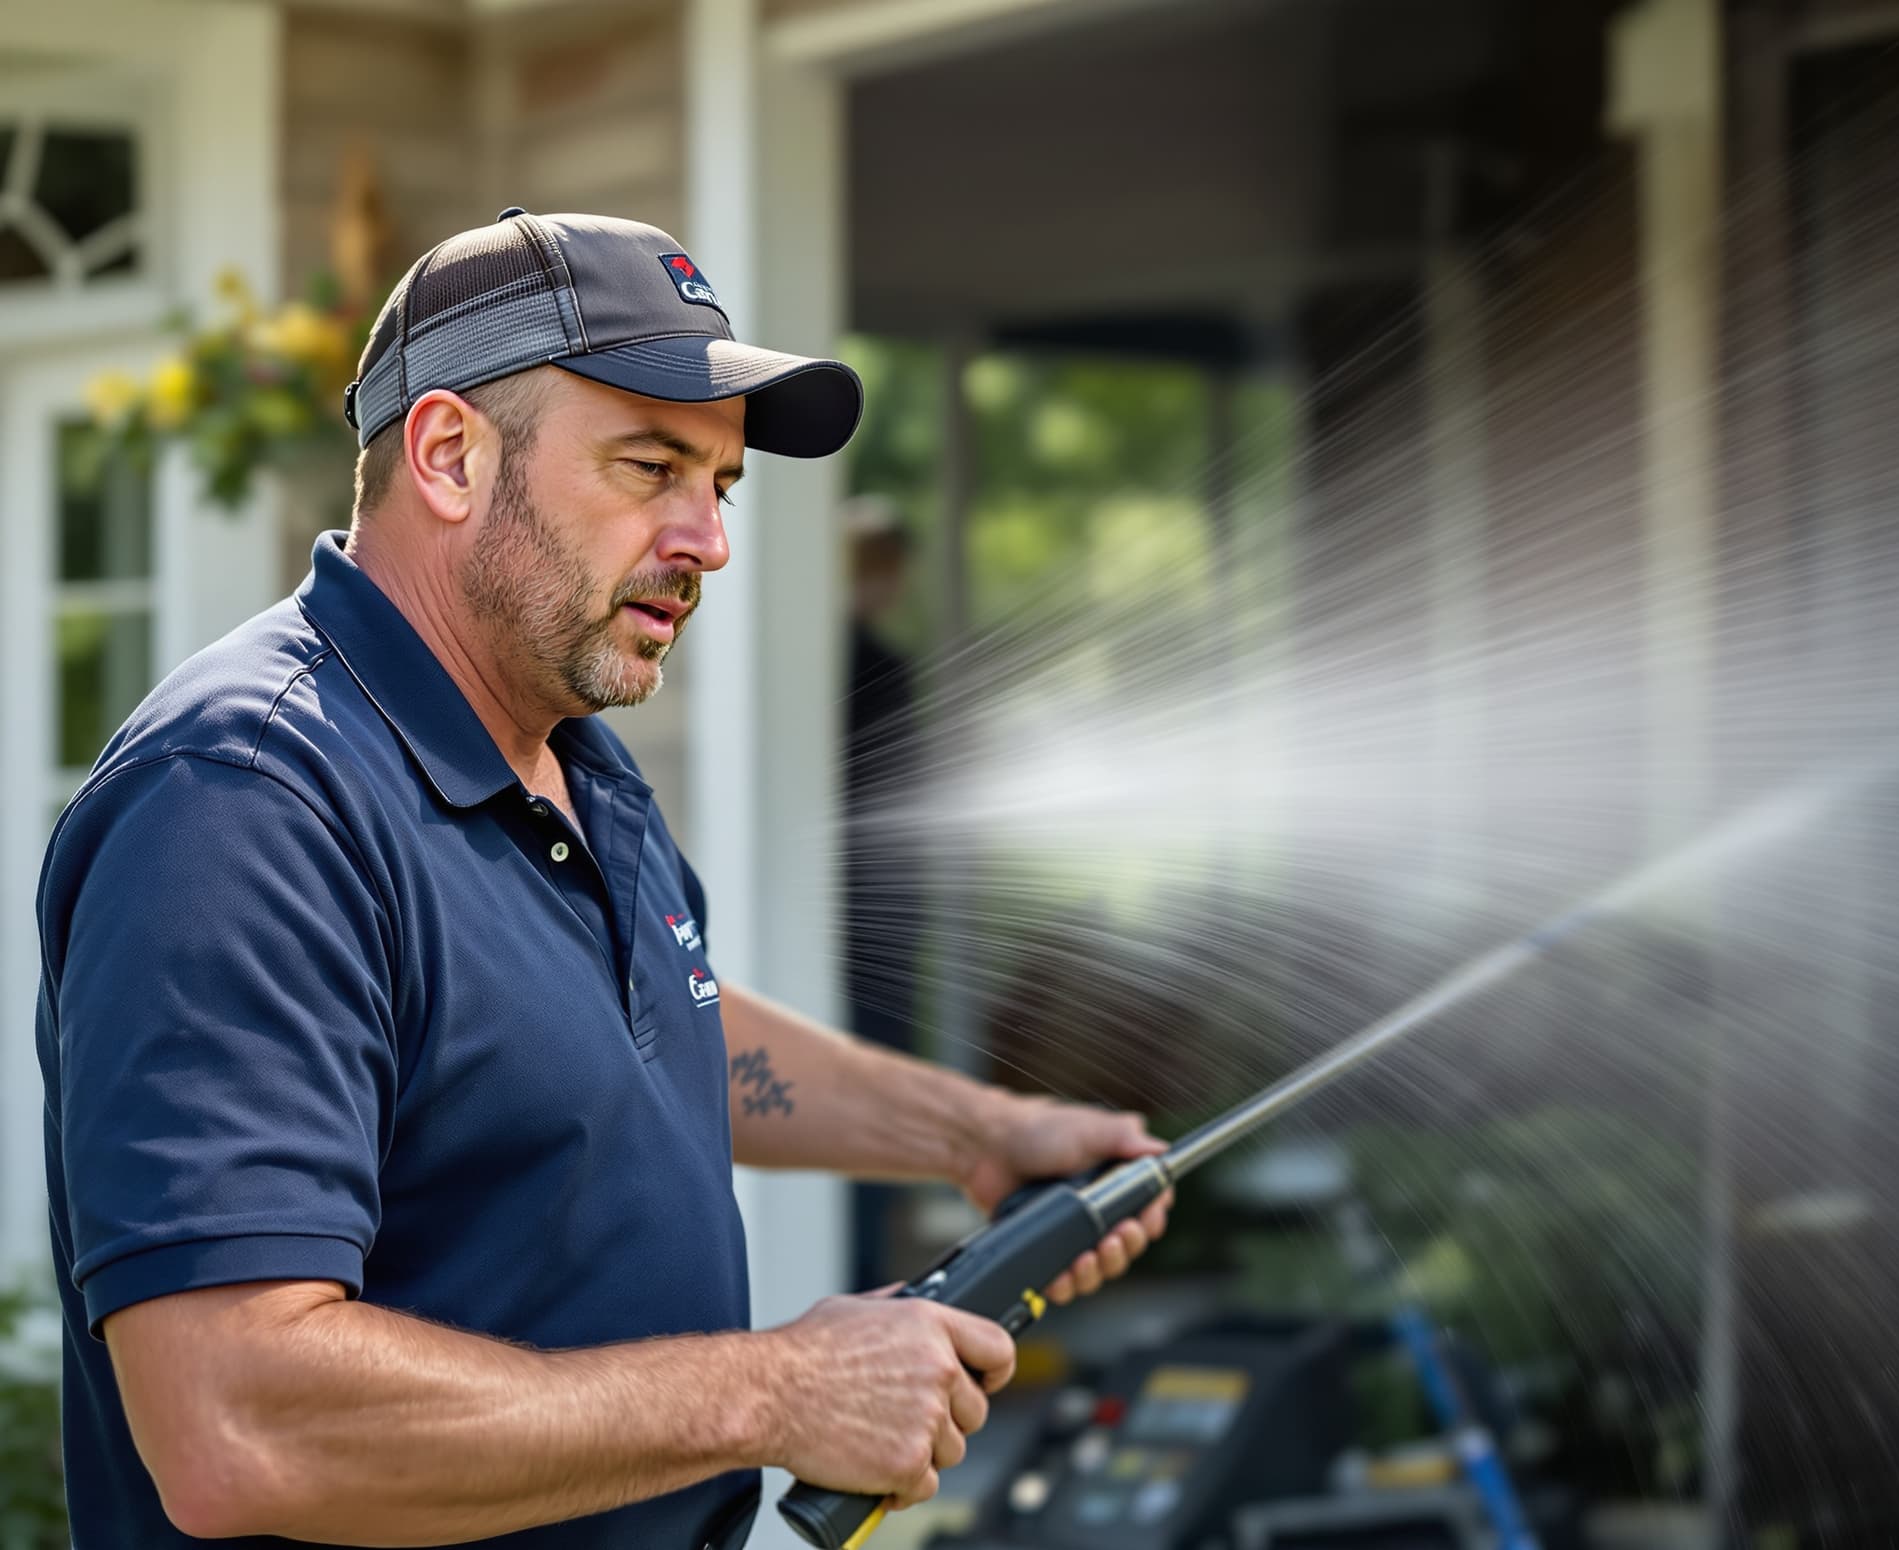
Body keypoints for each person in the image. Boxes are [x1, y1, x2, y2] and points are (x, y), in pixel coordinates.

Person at [35, 211, 1171, 1549]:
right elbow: (240, 1422)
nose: (708, 540)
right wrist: (780, 1388)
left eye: (721, 485)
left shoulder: (571, 760)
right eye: (650, 467)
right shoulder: (246, 799)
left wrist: (969, 1134)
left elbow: (648, 1030)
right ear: (449, 454)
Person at [840, 497, 925, 1288]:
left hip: (875, 945)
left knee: (874, 1125)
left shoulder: (853, 663)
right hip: (857, 948)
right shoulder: (864, 666)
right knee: (864, 1125)